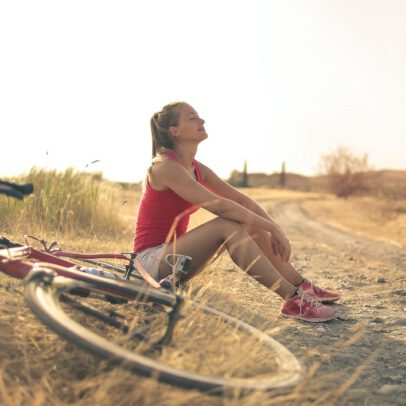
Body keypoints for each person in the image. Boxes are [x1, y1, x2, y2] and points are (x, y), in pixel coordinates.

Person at [133, 101, 340, 322]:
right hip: (148, 264)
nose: (201, 120)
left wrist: (274, 228)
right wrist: (271, 227)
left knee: (248, 221)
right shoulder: (164, 167)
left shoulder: (196, 168)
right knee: (227, 225)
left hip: (175, 262)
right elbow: (220, 205)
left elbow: (241, 199)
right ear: (174, 131)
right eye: (192, 117)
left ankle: (301, 286)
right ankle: (292, 299)